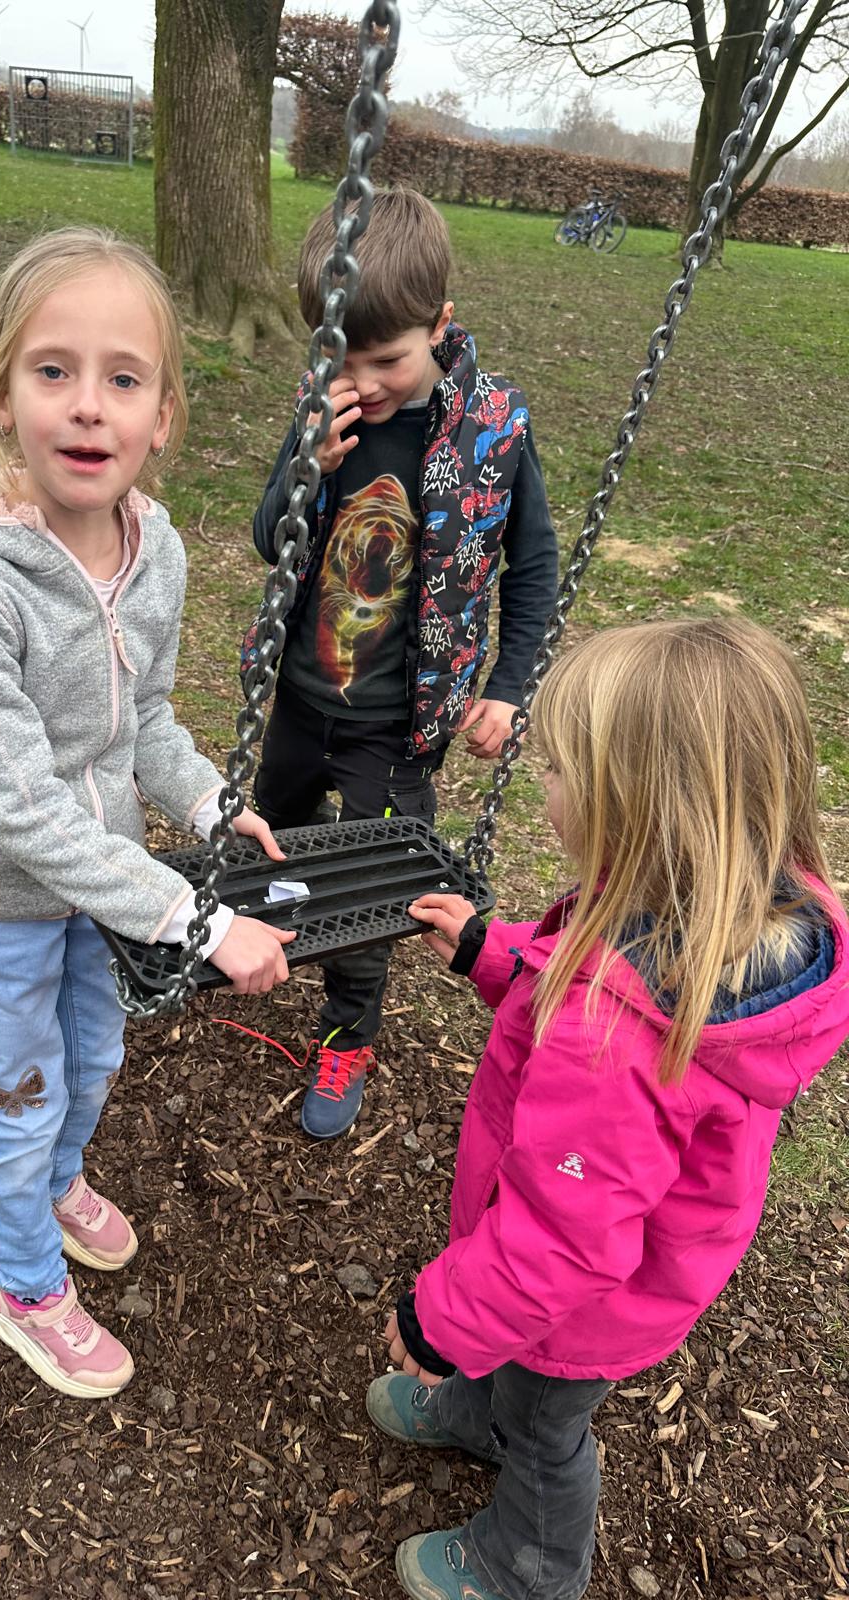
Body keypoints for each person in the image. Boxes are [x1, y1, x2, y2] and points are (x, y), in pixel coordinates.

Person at [368, 617, 849, 1600]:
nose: (542, 789)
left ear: (632, 810)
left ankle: (529, 1564)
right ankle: (474, 1409)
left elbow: (563, 1239)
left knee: (544, 1423)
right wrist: (493, 953)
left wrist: (441, 1321)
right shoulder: (732, 906)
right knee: (511, 1369)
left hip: (586, 1307)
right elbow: (580, 970)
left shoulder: (615, 1039)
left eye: (557, 773)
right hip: (634, 1256)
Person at [0, 227, 295, 1400]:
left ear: (162, 416)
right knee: (21, 1091)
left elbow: (145, 720)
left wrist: (211, 803)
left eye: (122, 378)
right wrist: (196, 918)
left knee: (96, 1053)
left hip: (106, 880)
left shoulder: (152, 549)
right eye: (52, 370)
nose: (86, 405)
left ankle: (58, 1181)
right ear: (3, 399)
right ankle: (21, 1284)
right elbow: (22, 809)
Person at [243, 186, 558, 1140]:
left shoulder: (494, 429)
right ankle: (261, 939)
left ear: (440, 325)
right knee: (273, 841)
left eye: (387, 360)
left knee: (374, 890)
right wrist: (307, 465)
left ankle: (347, 1035)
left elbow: (533, 567)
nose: (364, 381)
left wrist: (510, 687)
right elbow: (269, 538)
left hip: (399, 722)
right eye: (342, 357)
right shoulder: (325, 410)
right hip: (301, 697)